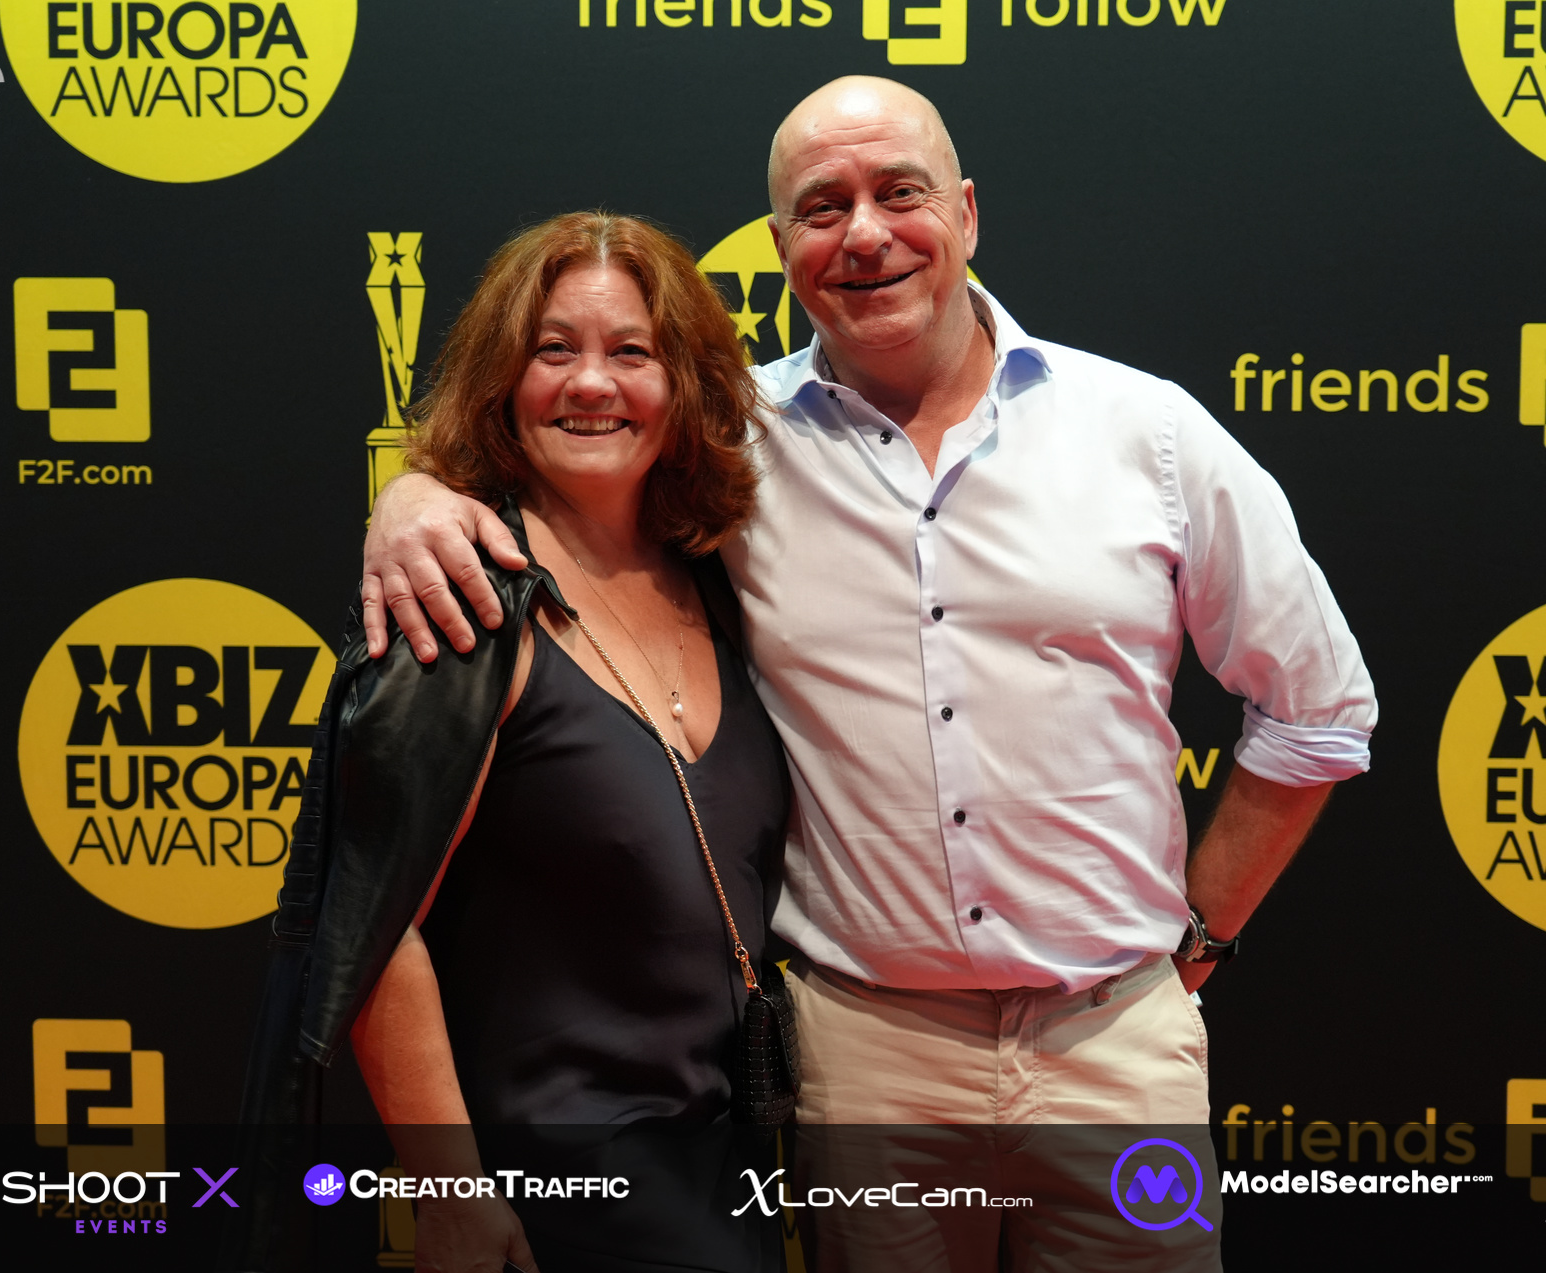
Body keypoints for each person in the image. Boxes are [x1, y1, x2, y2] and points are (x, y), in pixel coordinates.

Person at [359, 78, 1378, 1269]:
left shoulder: (1144, 433)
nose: (863, 234)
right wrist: (412, 498)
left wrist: (1198, 937)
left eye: (899, 193)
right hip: (862, 1058)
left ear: (967, 213)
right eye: (820, 207)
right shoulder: (728, 444)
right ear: (779, 245)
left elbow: (1316, 712)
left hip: (1117, 1048)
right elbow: (563, 456)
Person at [235, 212, 790, 1273]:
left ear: (684, 386)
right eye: (554, 349)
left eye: (632, 351)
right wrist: (453, 1196)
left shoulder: (718, 581)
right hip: (548, 1204)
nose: (592, 383)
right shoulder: (457, 602)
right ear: (502, 381)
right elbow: (378, 927)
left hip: (721, 1174)